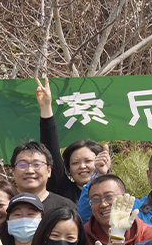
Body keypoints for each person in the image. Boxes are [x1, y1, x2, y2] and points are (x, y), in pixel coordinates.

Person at [35, 77, 109, 206]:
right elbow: (50, 150)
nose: (82, 166)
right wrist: (46, 107)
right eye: (75, 163)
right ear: (68, 169)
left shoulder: (113, 193)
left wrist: (101, 175)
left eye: (88, 161)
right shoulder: (62, 190)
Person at [80, 175, 152, 245]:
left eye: (109, 197)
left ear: (125, 198)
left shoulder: (147, 234)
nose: (103, 204)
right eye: (96, 200)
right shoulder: (82, 237)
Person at [7, 138, 77, 213]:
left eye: (37, 164)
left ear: (49, 171)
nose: (30, 171)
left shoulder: (65, 207)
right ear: (13, 171)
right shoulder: (4, 206)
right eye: (22, 165)